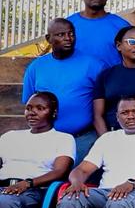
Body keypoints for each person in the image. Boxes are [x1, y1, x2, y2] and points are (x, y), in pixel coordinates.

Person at [22, 19, 104, 148]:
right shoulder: (36, 67)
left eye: (71, 34)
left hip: (82, 139)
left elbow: (103, 105)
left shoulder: (94, 65)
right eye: (61, 35)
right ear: (48, 38)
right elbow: (28, 103)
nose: (68, 38)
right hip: (46, 140)